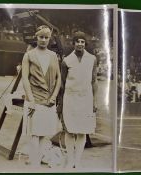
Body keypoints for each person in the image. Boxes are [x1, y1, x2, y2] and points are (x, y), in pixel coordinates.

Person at [22, 25, 61, 167]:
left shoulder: (53, 56)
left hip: (49, 100)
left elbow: (58, 79)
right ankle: (34, 164)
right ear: (36, 37)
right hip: (34, 100)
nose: (43, 40)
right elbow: (25, 78)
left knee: (44, 133)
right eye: (41, 37)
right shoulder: (29, 55)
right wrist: (31, 99)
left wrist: (54, 96)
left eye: (46, 37)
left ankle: (38, 160)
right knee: (34, 133)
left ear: (49, 39)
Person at [58, 31, 97, 169]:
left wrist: (95, 101)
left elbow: (94, 81)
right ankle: (70, 159)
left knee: (82, 130)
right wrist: (60, 103)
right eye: (77, 41)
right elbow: (62, 84)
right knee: (69, 130)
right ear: (73, 43)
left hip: (86, 98)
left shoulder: (92, 59)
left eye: (82, 41)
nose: (80, 44)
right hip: (70, 99)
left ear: (85, 44)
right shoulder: (66, 61)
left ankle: (78, 160)